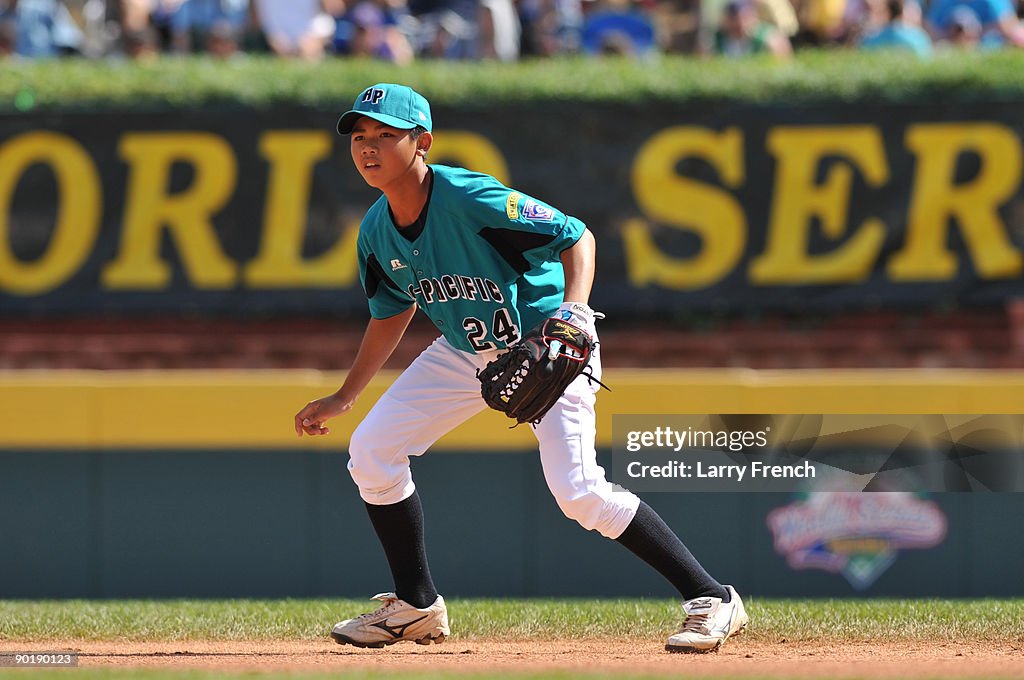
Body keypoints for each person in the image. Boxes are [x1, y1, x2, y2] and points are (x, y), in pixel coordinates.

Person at [293, 83, 749, 654]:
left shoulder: (467, 198)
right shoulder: (376, 230)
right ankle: (416, 607)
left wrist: (576, 312)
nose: (369, 147)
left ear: (423, 142)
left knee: (579, 493)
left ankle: (712, 597)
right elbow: (392, 311)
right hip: (464, 351)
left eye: (387, 134)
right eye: (360, 137)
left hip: (549, 344)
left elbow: (575, 234)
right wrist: (345, 395)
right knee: (371, 451)